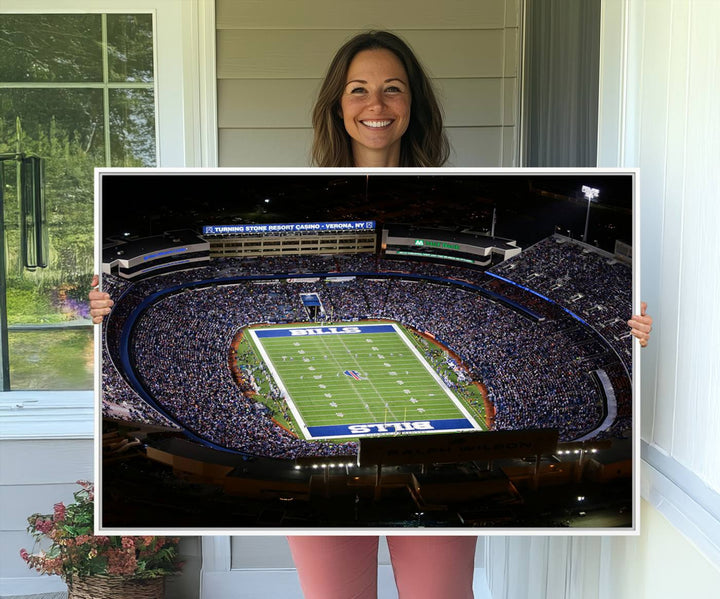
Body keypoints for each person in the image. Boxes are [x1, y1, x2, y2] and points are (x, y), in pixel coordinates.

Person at [90, 29, 653, 599]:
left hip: (432, 469)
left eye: (393, 89)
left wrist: (630, 331)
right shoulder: (297, 193)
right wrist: (97, 310)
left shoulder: (456, 192)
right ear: (337, 104)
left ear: (414, 105)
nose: (376, 105)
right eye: (358, 90)